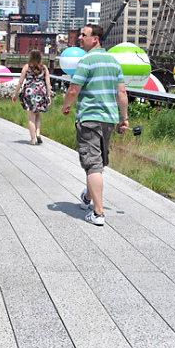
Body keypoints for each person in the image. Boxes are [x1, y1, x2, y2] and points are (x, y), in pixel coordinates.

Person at [61, 24, 129, 226]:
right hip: (108, 119)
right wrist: (123, 118)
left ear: (96, 39)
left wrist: (66, 105)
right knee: (97, 162)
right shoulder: (114, 61)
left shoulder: (86, 60)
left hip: (89, 118)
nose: (80, 38)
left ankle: (98, 214)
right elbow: (122, 93)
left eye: (84, 35)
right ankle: (88, 198)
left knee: (92, 164)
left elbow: (74, 89)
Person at [12, 50, 52, 145]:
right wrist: (49, 96)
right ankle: (38, 133)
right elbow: (48, 83)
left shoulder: (27, 67)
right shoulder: (44, 68)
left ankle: (33, 139)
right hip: (41, 93)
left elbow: (20, 82)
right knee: (38, 114)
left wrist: (15, 93)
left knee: (31, 117)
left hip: (30, 92)